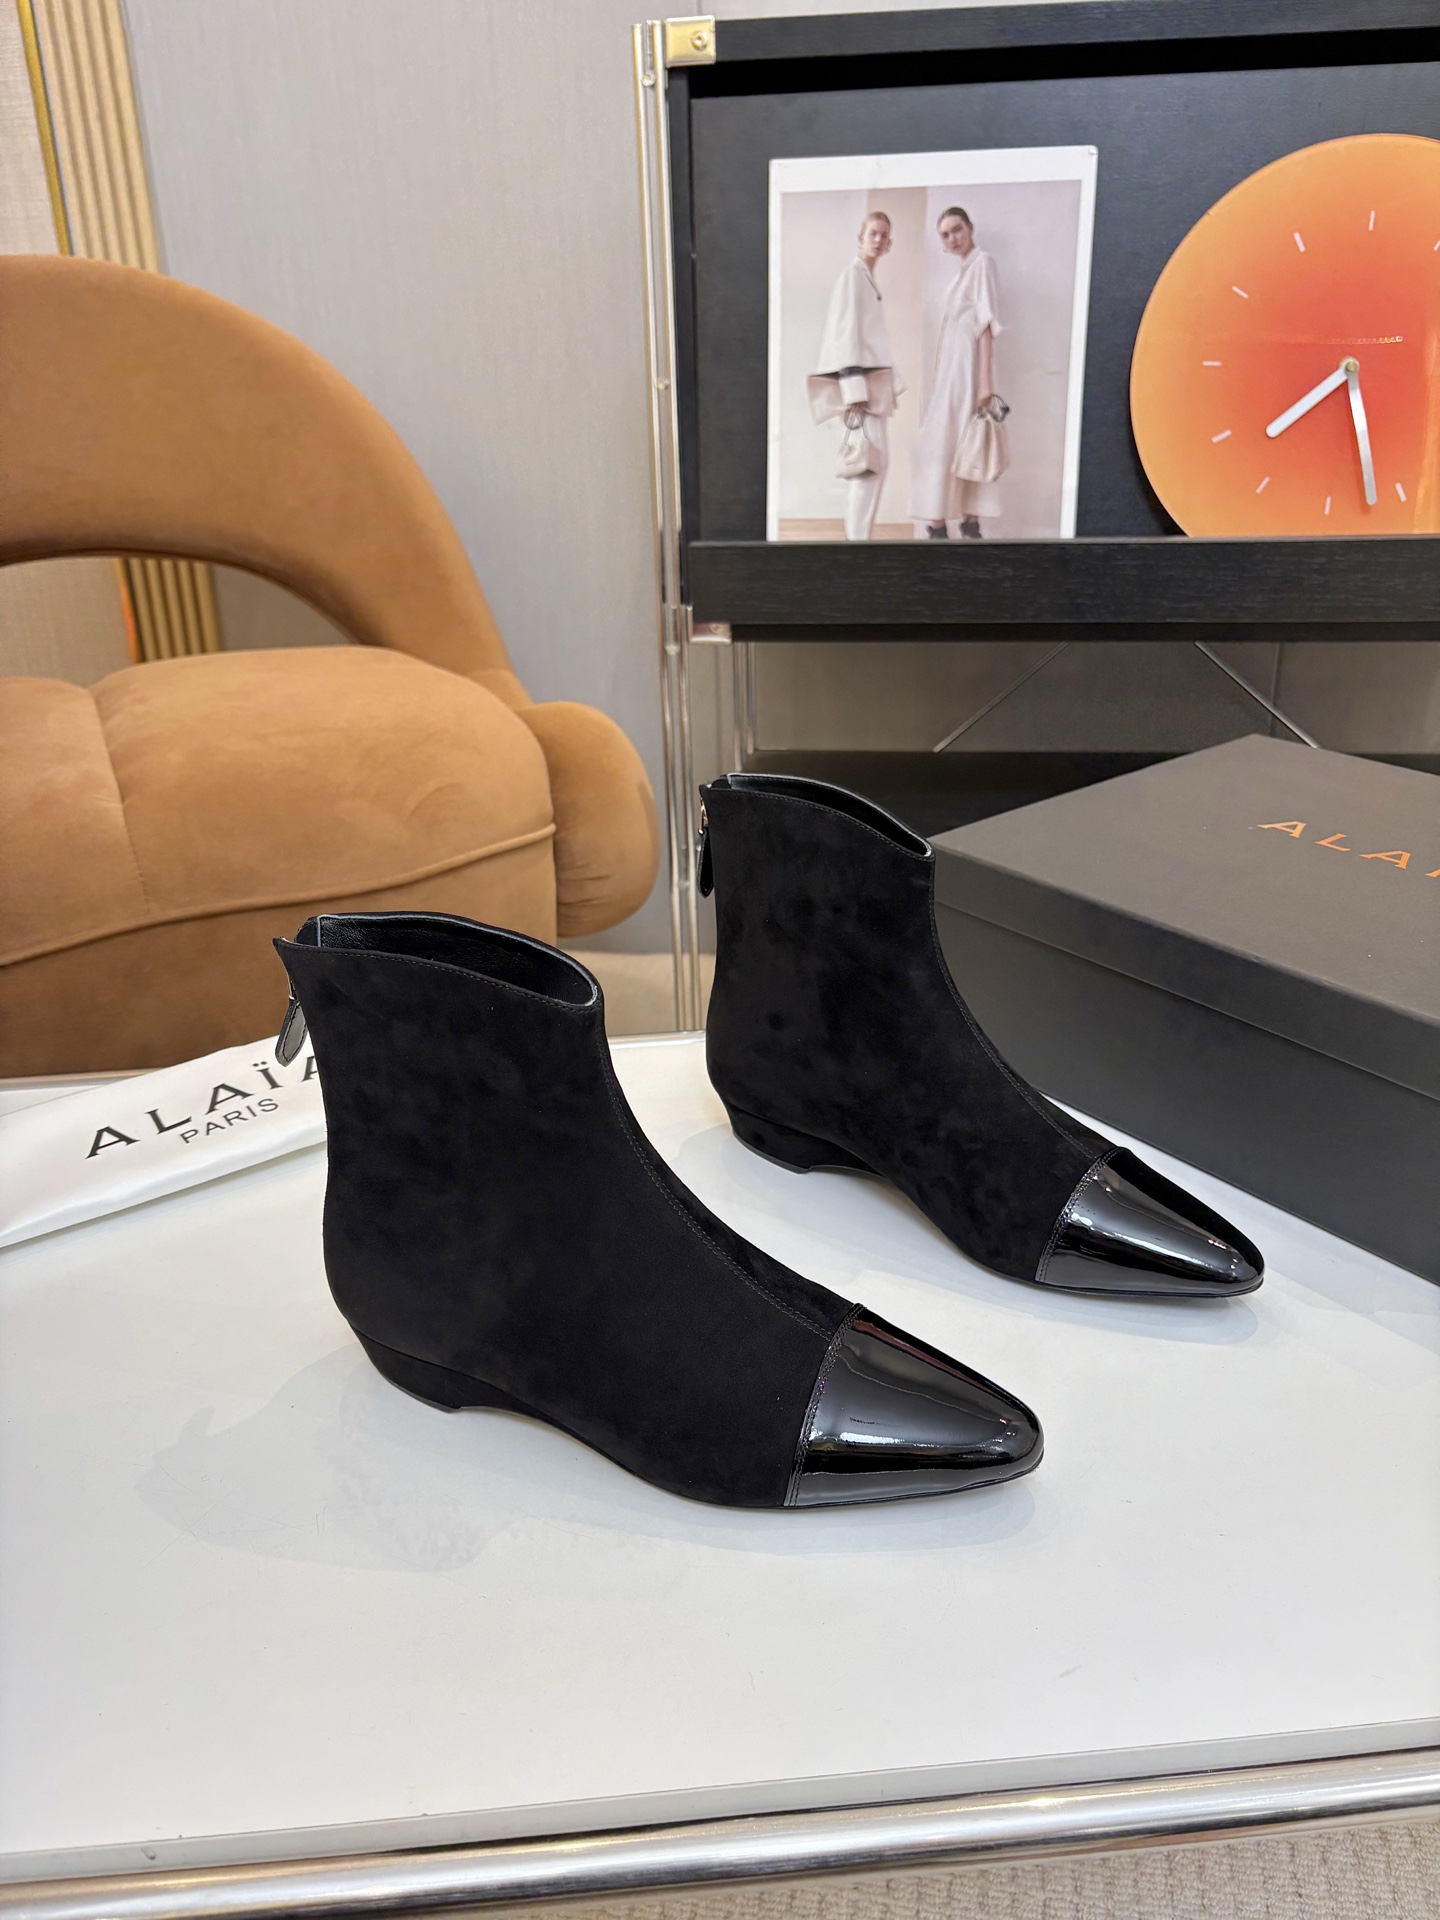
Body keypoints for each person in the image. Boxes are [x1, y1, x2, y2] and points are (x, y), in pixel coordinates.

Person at [806, 211, 902, 541]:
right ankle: (858, 544)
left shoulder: (866, 278)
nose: (878, 239)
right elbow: (844, 332)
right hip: (861, 389)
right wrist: (854, 393)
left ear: (889, 243)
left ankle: (859, 540)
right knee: (865, 467)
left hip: (874, 386)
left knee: (873, 464)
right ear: (860, 237)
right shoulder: (852, 276)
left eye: (884, 235)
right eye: (872, 233)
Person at [909, 206, 1001, 539]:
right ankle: (950, 521)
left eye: (957, 230)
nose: (952, 238)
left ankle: (964, 522)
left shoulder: (982, 263)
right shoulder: (960, 275)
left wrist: (984, 383)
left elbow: (986, 325)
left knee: (965, 440)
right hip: (951, 369)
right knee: (947, 440)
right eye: (945, 235)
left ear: (970, 228)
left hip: (968, 369)